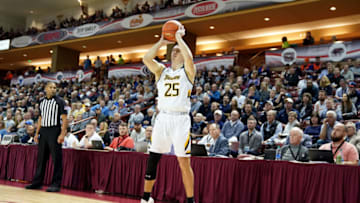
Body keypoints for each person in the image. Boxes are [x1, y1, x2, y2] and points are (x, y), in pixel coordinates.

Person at [141, 24, 196, 203]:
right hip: (163, 117)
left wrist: (179, 38)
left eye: (178, 50)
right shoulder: (161, 71)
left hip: (180, 119)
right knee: (153, 157)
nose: (174, 52)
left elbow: (189, 58)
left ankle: (190, 201)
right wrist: (162, 41)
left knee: (184, 162)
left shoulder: (188, 71)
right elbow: (146, 58)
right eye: (173, 50)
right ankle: (146, 198)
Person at [25, 82, 68, 193]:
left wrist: (62, 134)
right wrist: (36, 133)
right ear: (46, 89)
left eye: (55, 88)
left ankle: (56, 184)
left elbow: (64, 119)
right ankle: (37, 182)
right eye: (51, 87)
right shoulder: (41, 102)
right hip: (43, 131)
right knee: (41, 159)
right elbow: (40, 118)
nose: (53, 89)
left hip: (54, 130)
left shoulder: (60, 101)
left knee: (56, 159)